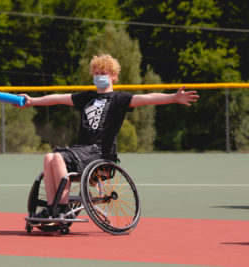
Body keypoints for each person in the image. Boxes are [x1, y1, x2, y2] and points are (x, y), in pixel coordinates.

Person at [17, 53, 199, 218]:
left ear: (113, 76)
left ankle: (62, 210)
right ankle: (52, 207)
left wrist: (173, 98)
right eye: (96, 73)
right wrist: (32, 101)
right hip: (81, 151)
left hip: (99, 153)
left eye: (103, 72)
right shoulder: (86, 97)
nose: (99, 76)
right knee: (49, 157)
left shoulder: (119, 99)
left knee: (57, 157)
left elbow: (147, 98)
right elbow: (58, 98)